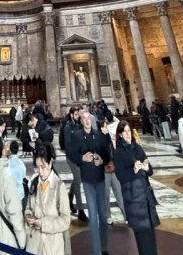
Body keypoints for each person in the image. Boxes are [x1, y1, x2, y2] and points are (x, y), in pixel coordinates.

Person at [67, 108, 111, 255]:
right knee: (93, 216)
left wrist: (103, 160)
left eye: (88, 118)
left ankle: (104, 247)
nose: (86, 120)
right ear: (81, 120)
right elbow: (71, 154)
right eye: (84, 118)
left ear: (91, 120)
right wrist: (82, 159)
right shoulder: (77, 136)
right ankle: (97, 251)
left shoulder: (98, 135)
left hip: (100, 178)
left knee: (103, 216)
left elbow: (107, 154)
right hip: (87, 178)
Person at [114, 121, 160, 255]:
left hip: (146, 197)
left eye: (129, 131)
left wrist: (147, 168)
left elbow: (150, 170)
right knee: (142, 237)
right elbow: (121, 176)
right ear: (120, 135)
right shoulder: (118, 152)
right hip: (134, 198)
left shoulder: (138, 148)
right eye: (125, 131)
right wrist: (133, 170)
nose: (128, 134)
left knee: (151, 235)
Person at [25, 142, 71, 255]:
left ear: (50, 164)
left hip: (52, 247)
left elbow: (65, 220)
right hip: (34, 245)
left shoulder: (59, 186)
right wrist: (28, 217)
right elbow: (27, 208)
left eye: (43, 167)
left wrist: (43, 224)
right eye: (37, 167)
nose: (40, 171)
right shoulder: (34, 184)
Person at [61, 105, 87, 221]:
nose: (78, 116)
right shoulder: (67, 127)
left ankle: (69, 198)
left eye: (78, 114)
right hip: (72, 158)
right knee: (78, 180)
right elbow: (68, 145)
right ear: (71, 115)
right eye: (76, 115)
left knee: (78, 179)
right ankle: (81, 210)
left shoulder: (79, 125)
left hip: (80, 156)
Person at [8, 139, 27, 208]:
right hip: (19, 192)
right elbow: (23, 175)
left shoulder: (7, 163)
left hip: (10, 192)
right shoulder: (20, 163)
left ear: (10, 150)